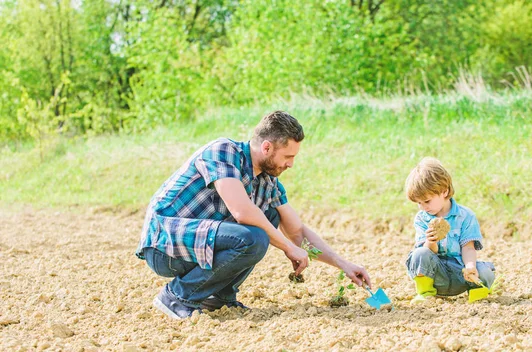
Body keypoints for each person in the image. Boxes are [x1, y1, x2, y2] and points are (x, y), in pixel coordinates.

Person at [136, 110, 371, 319]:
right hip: (164, 246)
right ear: (266, 147)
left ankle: (217, 297)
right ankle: (177, 296)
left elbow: (297, 231)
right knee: (254, 237)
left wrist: (343, 265)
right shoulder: (223, 151)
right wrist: (287, 247)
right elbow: (242, 211)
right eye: (288, 157)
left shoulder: (268, 181)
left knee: (269, 217)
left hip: (198, 246)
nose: (291, 165)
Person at [404, 157, 495, 304]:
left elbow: (468, 247)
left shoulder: (465, 216)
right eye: (418, 203)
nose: (423, 207)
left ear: (444, 191)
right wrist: (430, 242)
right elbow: (426, 255)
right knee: (419, 253)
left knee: (484, 272)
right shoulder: (422, 219)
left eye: (426, 201)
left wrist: (470, 266)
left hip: (460, 271)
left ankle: (478, 292)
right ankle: (426, 292)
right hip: (436, 274)